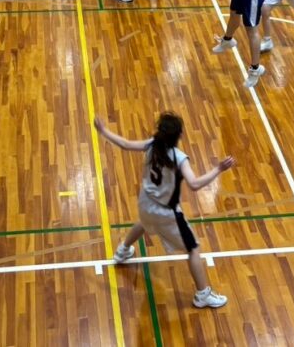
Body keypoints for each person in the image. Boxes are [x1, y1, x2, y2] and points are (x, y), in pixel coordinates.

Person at [95, 113, 233, 309]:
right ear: (179, 135)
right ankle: (203, 294)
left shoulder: (152, 145)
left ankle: (122, 251)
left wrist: (103, 131)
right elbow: (194, 184)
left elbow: (125, 144)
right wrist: (218, 169)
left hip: (145, 202)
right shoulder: (179, 158)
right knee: (193, 248)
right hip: (166, 212)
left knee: (144, 222)